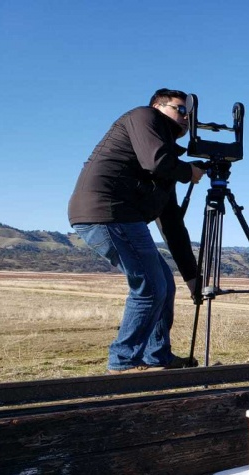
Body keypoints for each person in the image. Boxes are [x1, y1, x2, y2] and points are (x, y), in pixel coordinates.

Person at [69, 88, 205, 374]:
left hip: (118, 216)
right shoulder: (143, 116)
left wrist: (192, 277)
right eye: (180, 110)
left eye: (189, 114)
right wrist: (187, 172)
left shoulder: (162, 155)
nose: (185, 118)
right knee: (150, 287)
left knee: (163, 283)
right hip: (107, 211)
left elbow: (172, 223)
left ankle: (158, 357)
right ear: (158, 105)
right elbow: (155, 160)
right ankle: (123, 363)